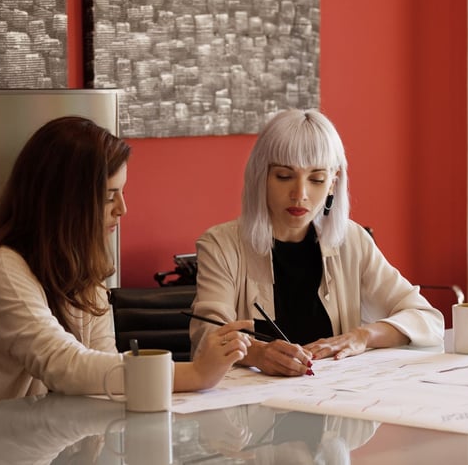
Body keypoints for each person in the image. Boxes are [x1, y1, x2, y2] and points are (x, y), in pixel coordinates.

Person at [0, 116, 252, 412]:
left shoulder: (78, 268)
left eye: (122, 192)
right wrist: (194, 373)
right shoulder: (1, 270)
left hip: (25, 442)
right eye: (109, 195)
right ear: (65, 202)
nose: (122, 208)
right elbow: (65, 364)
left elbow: (101, 367)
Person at [190, 109, 444, 377]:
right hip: (249, 410)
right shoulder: (220, 246)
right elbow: (207, 336)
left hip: (333, 405)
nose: (299, 194)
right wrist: (258, 353)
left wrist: (363, 336)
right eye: (284, 176)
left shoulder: (352, 240)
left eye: (316, 179)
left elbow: (427, 319)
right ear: (260, 178)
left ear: (332, 184)